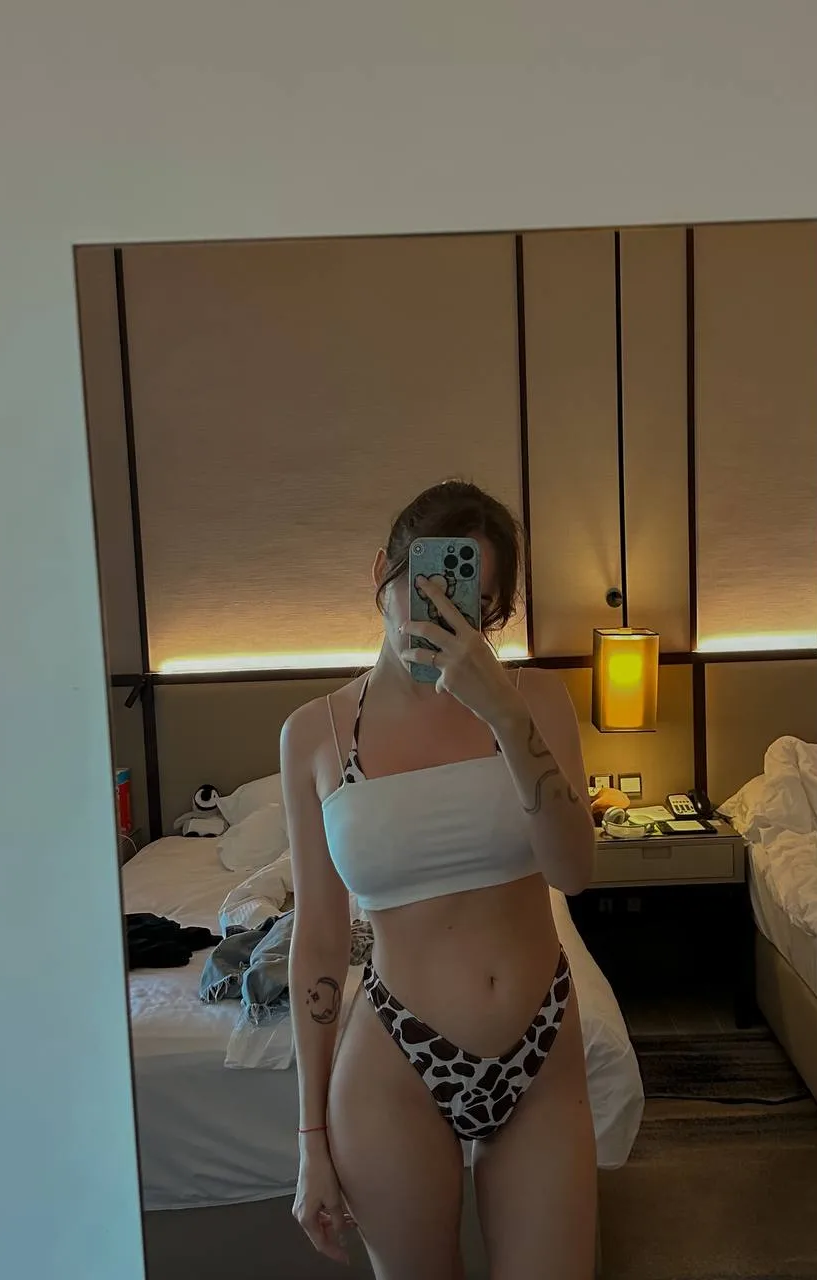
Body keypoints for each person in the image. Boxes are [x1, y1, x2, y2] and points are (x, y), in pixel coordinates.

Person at [281, 481, 597, 1279]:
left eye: (475, 606)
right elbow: (319, 938)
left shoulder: (534, 700)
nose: (446, 619)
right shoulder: (316, 734)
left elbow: (574, 871)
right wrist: (310, 1140)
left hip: (540, 1046)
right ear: (383, 573)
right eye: (431, 590)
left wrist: (505, 716)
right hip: (395, 1066)